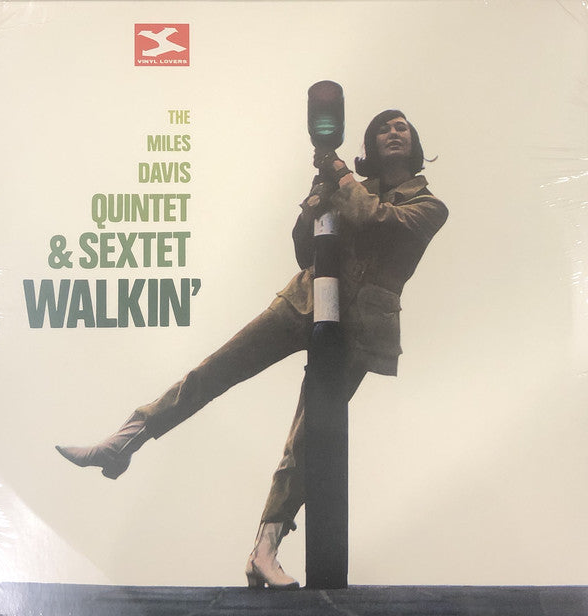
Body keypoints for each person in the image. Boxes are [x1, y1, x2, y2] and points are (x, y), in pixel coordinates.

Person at [56, 109, 448, 589]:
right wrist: (316, 199)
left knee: (307, 440)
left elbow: (376, 220)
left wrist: (340, 174)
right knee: (216, 368)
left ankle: (264, 550)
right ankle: (123, 441)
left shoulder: (429, 205)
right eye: (383, 128)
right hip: (306, 299)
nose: (393, 132)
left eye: (401, 127)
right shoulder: (346, 187)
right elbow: (304, 249)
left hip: (359, 328)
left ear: (414, 143)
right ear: (371, 144)